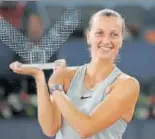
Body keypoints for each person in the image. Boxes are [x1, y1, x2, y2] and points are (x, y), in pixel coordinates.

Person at [9, 9, 140, 139]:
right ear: (89, 36)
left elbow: (86, 129)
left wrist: (55, 88)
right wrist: (39, 77)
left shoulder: (127, 84)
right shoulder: (67, 75)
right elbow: (50, 129)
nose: (106, 40)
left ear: (121, 39)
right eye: (99, 33)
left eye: (114, 34)